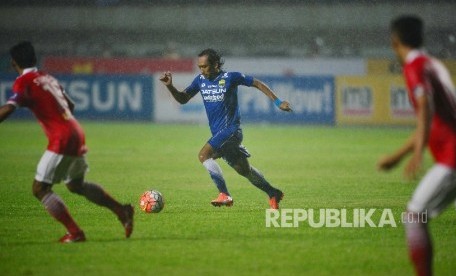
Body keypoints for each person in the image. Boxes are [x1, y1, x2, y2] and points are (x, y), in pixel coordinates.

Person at [0, 41, 134, 243]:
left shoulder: (24, 81)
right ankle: (121, 210)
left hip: (62, 137)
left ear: (14, 63)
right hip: (76, 131)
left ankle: (75, 233)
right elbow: (70, 105)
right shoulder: (47, 77)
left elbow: (9, 108)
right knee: (75, 185)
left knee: (40, 189)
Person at [378, 16, 456, 276]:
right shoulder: (434, 65)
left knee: (414, 217)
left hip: (455, 155)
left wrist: (412, 153)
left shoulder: (414, 67)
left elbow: (425, 105)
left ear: (395, 42)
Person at [159, 48, 292, 209]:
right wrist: (170, 86)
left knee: (204, 155)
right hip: (219, 134)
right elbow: (183, 99)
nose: (202, 70)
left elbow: (256, 83)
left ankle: (224, 194)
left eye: (205, 66)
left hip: (232, 131)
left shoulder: (230, 77)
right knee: (244, 170)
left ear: (215, 64)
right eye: (200, 67)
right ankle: (273, 192)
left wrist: (278, 102)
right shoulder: (200, 80)